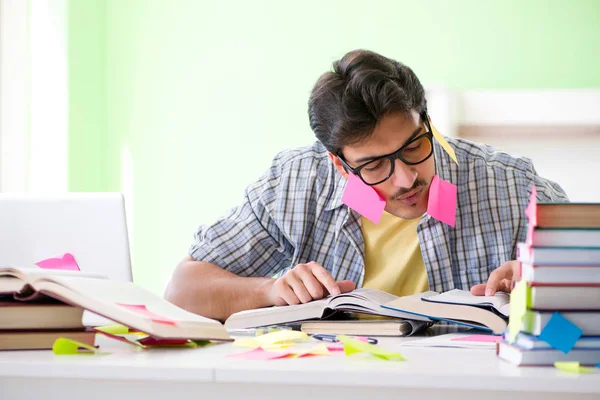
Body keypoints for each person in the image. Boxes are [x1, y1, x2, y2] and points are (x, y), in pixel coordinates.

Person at [164, 49, 568, 321]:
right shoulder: (293, 185)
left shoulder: (512, 186)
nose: (406, 178)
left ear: (426, 122)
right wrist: (270, 290)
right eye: (374, 165)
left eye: (414, 146)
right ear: (339, 165)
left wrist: (550, 282)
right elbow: (182, 291)